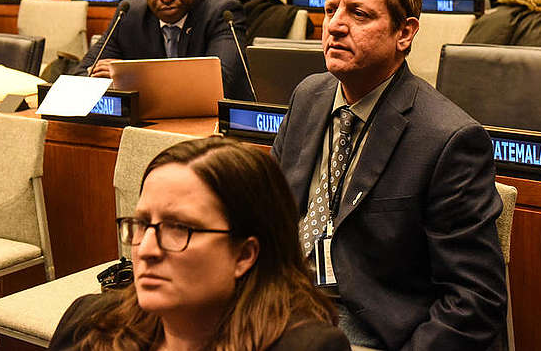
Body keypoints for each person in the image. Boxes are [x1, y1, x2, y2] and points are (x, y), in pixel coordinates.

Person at [271, 0, 507, 350]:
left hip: (370, 330)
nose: (335, 25)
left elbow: (475, 299)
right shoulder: (308, 96)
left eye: (359, 14)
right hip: (283, 306)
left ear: (405, 33)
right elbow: (267, 212)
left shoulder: (448, 138)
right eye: (330, 10)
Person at [49, 138, 351, 351]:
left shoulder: (307, 346)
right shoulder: (87, 322)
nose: (148, 250)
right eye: (142, 224)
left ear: (244, 255)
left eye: (179, 228)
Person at [75, 0, 254, 100]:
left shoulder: (222, 12)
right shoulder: (129, 14)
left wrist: (129, 77)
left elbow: (220, 81)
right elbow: (81, 74)